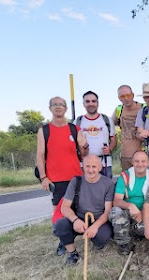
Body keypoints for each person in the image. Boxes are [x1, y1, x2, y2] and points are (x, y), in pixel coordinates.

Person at [36, 96, 88, 256]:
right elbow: (40, 155)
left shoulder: (74, 129)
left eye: (61, 105)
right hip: (56, 179)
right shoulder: (44, 130)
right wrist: (43, 177)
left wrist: (83, 144)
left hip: (76, 177)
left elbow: (84, 154)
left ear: (66, 108)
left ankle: (72, 237)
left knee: (75, 210)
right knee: (59, 213)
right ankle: (63, 242)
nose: (58, 107)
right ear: (50, 108)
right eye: (55, 105)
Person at [54, 155, 115, 265]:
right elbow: (65, 207)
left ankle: (95, 240)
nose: (91, 170)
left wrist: (94, 227)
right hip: (79, 217)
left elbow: (108, 211)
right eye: (87, 166)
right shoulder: (76, 181)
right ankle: (72, 253)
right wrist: (75, 220)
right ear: (83, 167)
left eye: (94, 167)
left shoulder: (108, 184)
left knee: (102, 237)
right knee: (60, 225)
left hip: (98, 219)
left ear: (100, 167)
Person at [109, 150, 149, 255]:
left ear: (148, 163)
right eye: (137, 161)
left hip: (146, 212)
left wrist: (143, 213)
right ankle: (124, 244)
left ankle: (131, 232)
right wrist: (130, 205)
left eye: (143, 161)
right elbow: (116, 201)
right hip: (127, 211)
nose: (140, 164)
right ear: (132, 162)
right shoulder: (125, 176)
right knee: (115, 212)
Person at [75, 91, 117, 178]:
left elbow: (113, 139)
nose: (91, 104)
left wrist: (110, 149)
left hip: (104, 163)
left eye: (93, 101)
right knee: (86, 190)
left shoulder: (107, 120)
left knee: (106, 190)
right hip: (85, 164)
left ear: (97, 103)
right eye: (87, 101)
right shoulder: (78, 122)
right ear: (83, 104)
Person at [111, 85, 144, 171]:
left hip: (143, 156)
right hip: (125, 156)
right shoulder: (119, 110)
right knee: (127, 182)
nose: (126, 98)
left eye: (128, 95)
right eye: (122, 96)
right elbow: (108, 126)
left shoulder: (143, 108)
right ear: (119, 98)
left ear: (133, 95)